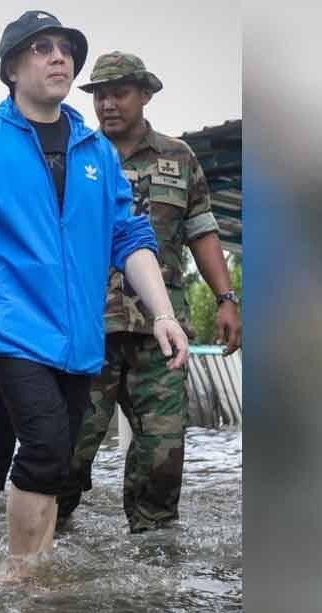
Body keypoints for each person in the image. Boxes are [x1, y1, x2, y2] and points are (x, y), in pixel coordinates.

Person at [0, 11, 189, 575]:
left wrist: (163, 313)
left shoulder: (96, 151)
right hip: (11, 329)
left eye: (64, 48)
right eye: (41, 48)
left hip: (81, 337)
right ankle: (19, 578)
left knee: (59, 457)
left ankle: (33, 571)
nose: (58, 57)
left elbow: (129, 237)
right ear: (11, 69)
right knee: (43, 446)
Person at [57, 52, 243, 532]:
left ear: (145, 95)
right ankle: (50, 538)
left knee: (162, 451)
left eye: (119, 93)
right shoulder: (76, 156)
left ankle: (154, 548)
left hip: (161, 332)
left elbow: (202, 230)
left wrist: (226, 299)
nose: (107, 103)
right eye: (99, 95)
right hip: (87, 329)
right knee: (67, 448)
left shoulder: (179, 158)